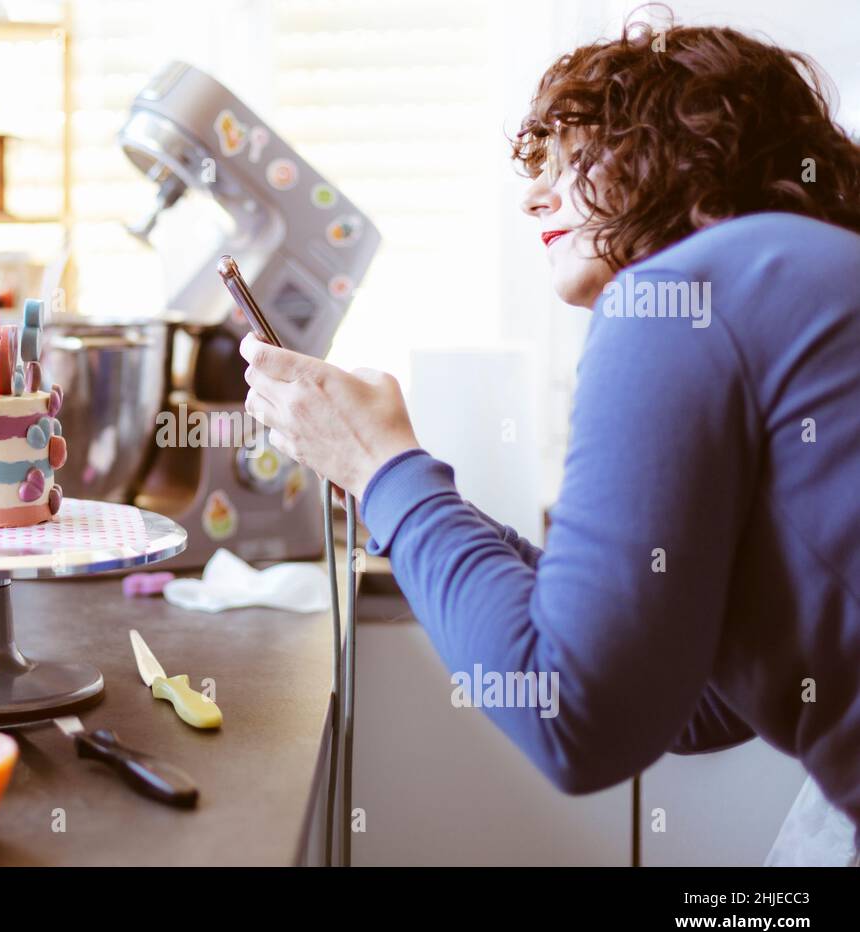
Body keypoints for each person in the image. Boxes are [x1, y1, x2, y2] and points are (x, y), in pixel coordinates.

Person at [240, 16, 860, 864]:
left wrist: (382, 467)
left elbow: (568, 715)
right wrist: (399, 490)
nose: (534, 195)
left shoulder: (679, 293)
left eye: (574, 157)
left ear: (684, 150)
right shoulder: (801, 279)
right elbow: (696, 699)